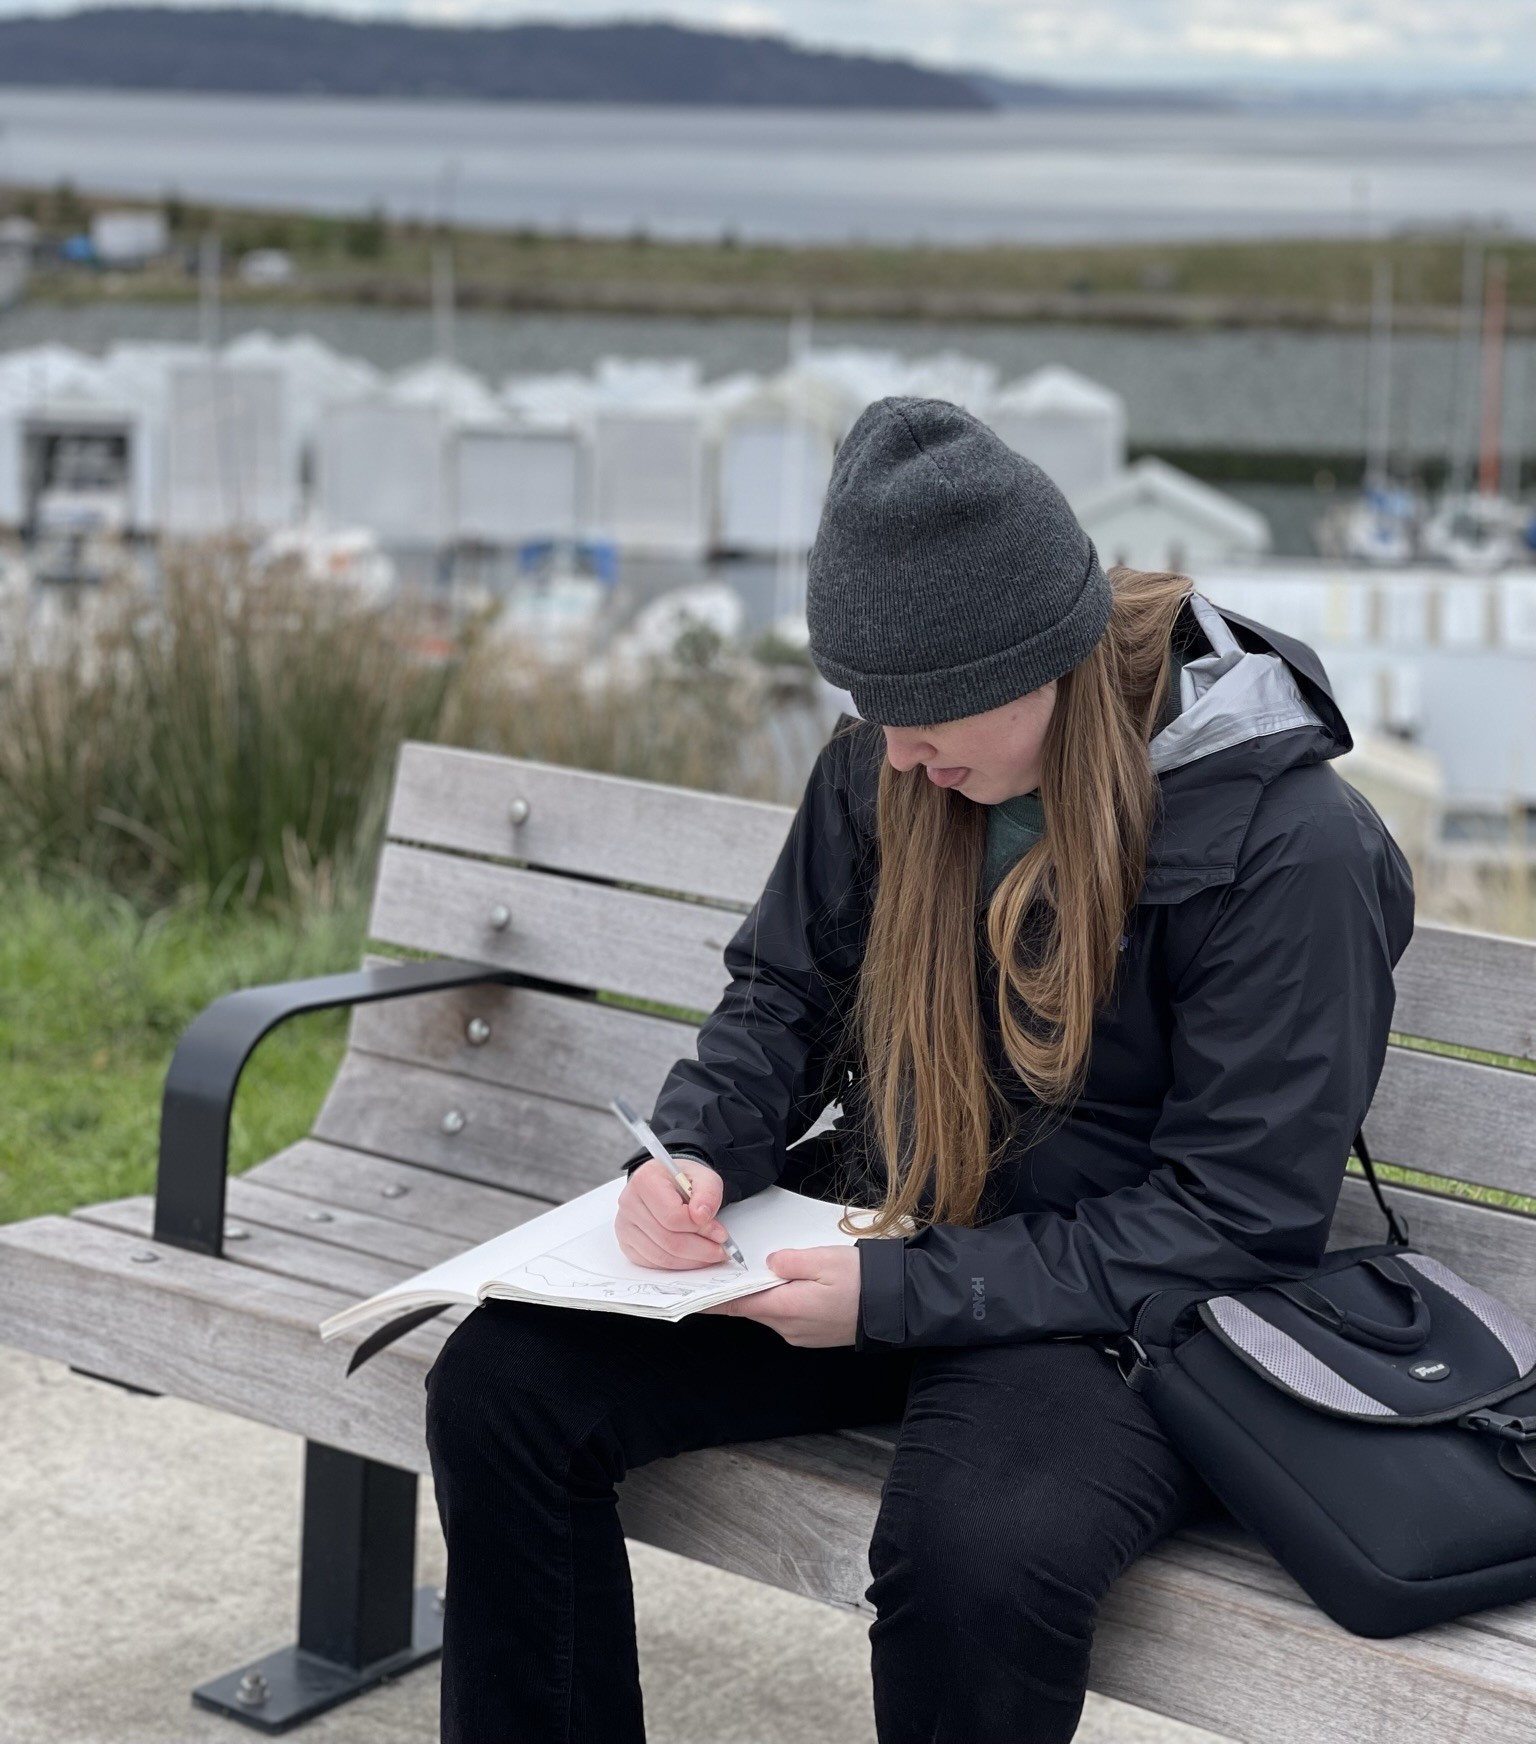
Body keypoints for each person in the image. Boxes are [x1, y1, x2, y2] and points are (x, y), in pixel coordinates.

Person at [425, 396, 1415, 1744]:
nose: (892, 751)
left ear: (1044, 659)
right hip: (884, 1223)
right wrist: (700, 1155)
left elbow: (1240, 1215)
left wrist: (895, 1296)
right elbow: (779, 998)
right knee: (502, 1388)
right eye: (871, 708)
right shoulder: (893, 765)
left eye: (925, 712)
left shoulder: (1292, 847)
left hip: (1112, 1312)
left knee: (975, 1560)